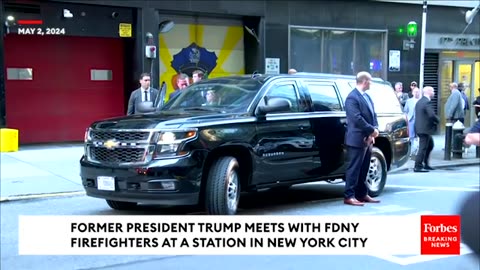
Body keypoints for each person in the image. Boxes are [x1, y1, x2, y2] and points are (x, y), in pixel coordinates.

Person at [343, 71, 380, 206]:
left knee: (364, 168)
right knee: (354, 168)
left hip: (368, 138)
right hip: (357, 138)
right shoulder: (352, 98)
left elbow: (373, 115)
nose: (371, 83)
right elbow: (356, 118)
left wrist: (374, 131)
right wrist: (371, 130)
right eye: (370, 81)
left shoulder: (367, 97)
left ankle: (362, 194)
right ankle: (349, 196)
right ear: (364, 81)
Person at [413, 86, 439, 173]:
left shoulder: (420, 101)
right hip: (425, 129)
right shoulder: (426, 102)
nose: (434, 93)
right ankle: (418, 166)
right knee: (423, 147)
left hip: (421, 128)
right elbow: (431, 115)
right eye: (433, 91)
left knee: (430, 145)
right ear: (428, 92)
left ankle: (426, 164)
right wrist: (437, 120)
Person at [403, 87, 421, 155]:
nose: (416, 93)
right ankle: (411, 151)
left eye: (418, 92)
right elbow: (405, 111)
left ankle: (416, 150)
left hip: (419, 120)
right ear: (413, 93)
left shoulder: (421, 100)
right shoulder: (409, 101)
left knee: (418, 136)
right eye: (415, 92)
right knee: (411, 136)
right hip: (411, 120)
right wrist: (407, 118)